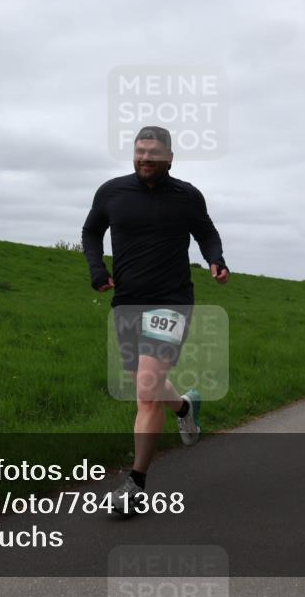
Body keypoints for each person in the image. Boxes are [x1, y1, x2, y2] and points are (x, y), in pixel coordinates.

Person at [82, 125, 229, 515]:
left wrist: (216, 258)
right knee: (145, 383)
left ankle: (135, 484)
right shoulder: (112, 192)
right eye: (139, 151)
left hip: (171, 301)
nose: (145, 158)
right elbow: (91, 230)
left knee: (146, 389)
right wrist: (97, 269)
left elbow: (206, 232)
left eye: (153, 153)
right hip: (128, 301)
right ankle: (184, 408)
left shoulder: (187, 196)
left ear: (169, 158)